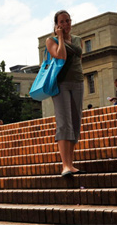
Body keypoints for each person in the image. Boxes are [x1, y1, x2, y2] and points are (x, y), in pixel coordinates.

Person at [46, 10, 85, 177]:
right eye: (61, 22)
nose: (65, 24)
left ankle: (71, 163)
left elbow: (79, 58)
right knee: (64, 123)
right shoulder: (51, 40)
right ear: (56, 24)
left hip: (77, 82)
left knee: (75, 123)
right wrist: (60, 37)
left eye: (68, 21)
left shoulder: (77, 40)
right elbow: (61, 56)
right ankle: (65, 165)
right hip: (60, 84)